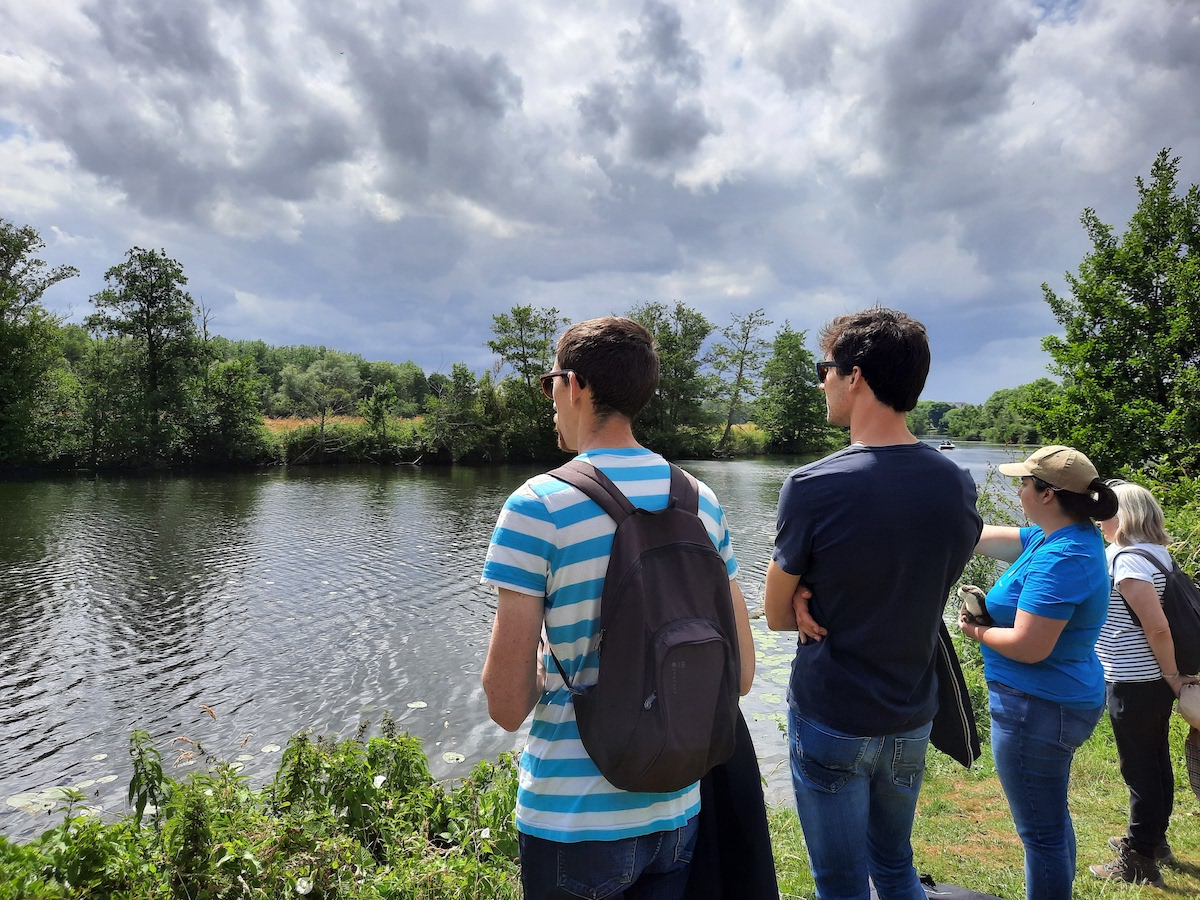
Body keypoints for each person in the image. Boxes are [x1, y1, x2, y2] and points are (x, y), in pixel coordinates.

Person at [480, 316, 757, 900]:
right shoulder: (699, 501)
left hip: (574, 820)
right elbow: (744, 673)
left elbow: (506, 706)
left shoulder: (538, 507)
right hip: (676, 807)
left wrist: (549, 664)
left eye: (550, 382)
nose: (551, 398)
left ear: (575, 385)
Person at [764, 306, 982, 900]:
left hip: (834, 710)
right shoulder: (956, 482)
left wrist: (806, 592)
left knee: (840, 883)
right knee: (893, 866)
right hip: (911, 712)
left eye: (824, 369)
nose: (821, 382)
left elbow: (778, 614)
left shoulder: (812, 485)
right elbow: (928, 579)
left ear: (854, 376)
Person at [958, 445, 1117, 900]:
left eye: (1024, 482)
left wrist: (976, 631)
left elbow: (1029, 645)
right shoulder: (1051, 538)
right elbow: (980, 536)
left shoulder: (1063, 558)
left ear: (1047, 494)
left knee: (1040, 834)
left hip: (1038, 708)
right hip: (1054, 700)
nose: (1019, 488)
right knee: (1049, 819)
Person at [1089, 481, 1198, 885]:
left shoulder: (1127, 560)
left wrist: (1172, 677)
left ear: (1126, 514)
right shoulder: (1155, 553)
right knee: (1153, 762)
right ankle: (1154, 841)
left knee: (1139, 768)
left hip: (1135, 679)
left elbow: (1157, 627)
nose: (1099, 518)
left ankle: (1138, 859)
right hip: (1148, 679)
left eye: (1106, 510)